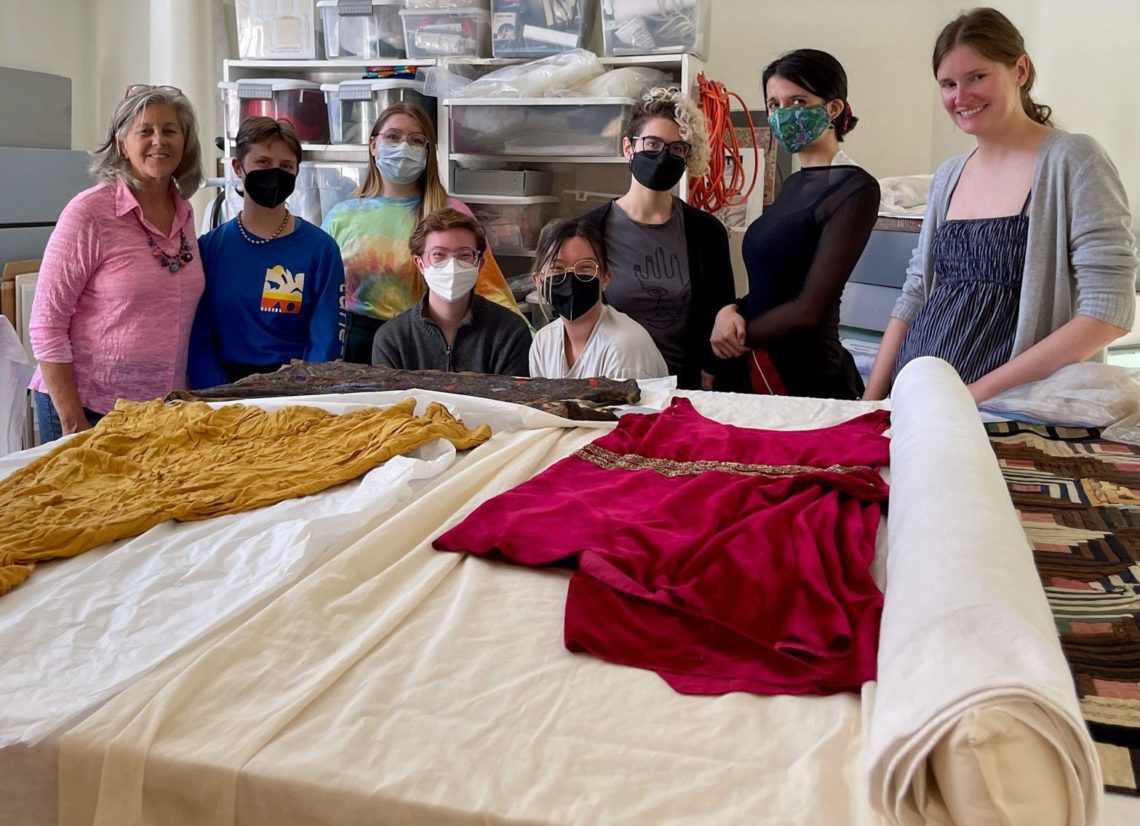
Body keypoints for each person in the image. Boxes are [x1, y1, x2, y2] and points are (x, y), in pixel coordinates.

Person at [865, 7, 1137, 403]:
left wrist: (972, 395)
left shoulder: (1074, 160)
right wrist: (872, 401)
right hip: (920, 397)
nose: (961, 97)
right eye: (947, 84)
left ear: (1020, 71)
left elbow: (1108, 313)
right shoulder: (948, 176)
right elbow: (916, 292)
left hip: (1008, 407)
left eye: (977, 77)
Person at [28, 84, 205, 442]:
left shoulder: (184, 213)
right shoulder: (89, 212)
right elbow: (46, 324)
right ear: (122, 143)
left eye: (170, 130)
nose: (159, 141)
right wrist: (75, 424)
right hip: (89, 406)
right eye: (145, 131)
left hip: (159, 409)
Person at [710, 49, 879, 400]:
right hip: (755, 358)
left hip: (802, 374)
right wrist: (731, 310)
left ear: (833, 109)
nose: (783, 114)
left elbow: (809, 308)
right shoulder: (796, 184)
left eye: (797, 101)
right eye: (774, 104)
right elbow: (774, 282)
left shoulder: (855, 188)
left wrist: (734, 338)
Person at [322, 102, 522, 363]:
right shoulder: (341, 216)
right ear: (373, 145)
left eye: (416, 140)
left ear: (428, 152)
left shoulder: (451, 214)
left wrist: (523, 337)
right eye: (393, 137)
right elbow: (323, 297)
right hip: (354, 347)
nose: (404, 147)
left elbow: (488, 287)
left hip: (420, 345)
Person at [582, 87, 734, 391]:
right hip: (611, 385)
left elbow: (721, 311)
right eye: (652, 144)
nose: (663, 156)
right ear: (629, 148)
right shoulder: (588, 230)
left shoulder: (706, 232)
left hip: (683, 388)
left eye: (677, 148)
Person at [188, 117, 344, 388]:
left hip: (296, 392)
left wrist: (302, 388)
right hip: (224, 391)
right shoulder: (209, 249)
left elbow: (326, 339)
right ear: (238, 167)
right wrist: (221, 392)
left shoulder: (321, 249)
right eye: (263, 163)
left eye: (286, 166)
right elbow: (198, 338)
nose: (275, 173)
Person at [372, 208, 531, 376]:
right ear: (420, 264)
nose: (452, 266)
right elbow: (390, 401)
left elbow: (513, 400)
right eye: (439, 254)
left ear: (479, 264)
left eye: (464, 255)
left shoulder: (510, 332)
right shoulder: (392, 339)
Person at [529, 218, 668, 381]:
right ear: (537, 280)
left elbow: (632, 407)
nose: (572, 277)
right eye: (557, 268)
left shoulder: (623, 347)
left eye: (585, 267)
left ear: (605, 278)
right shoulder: (543, 342)